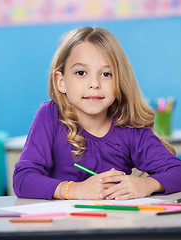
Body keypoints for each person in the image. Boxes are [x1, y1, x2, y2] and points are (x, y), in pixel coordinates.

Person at [13, 26, 181, 200]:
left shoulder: (130, 127)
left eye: (106, 74)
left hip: (114, 221)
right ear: (61, 81)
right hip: (62, 224)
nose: (94, 83)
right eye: (81, 73)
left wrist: (147, 184)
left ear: (120, 81)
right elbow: (23, 180)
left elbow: (178, 171)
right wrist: (75, 190)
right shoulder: (50, 115)